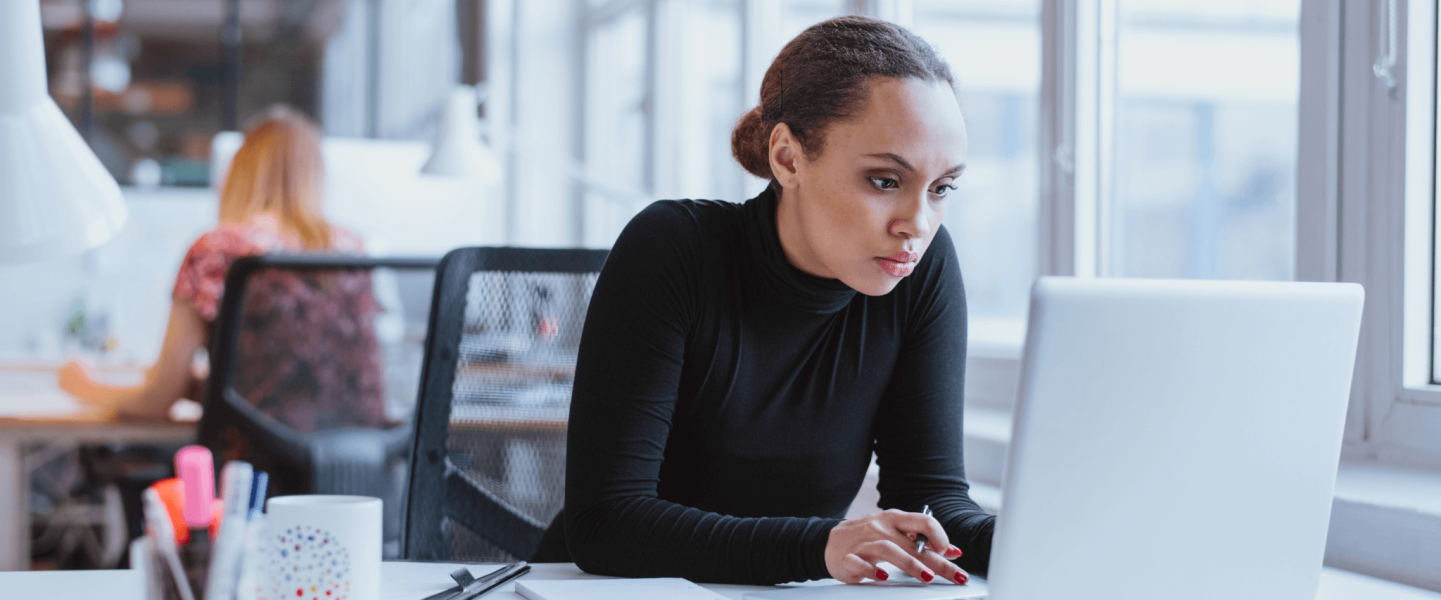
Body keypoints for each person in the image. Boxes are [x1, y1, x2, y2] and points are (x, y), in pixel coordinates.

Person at [555, 16, 991, 587]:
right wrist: (819, 547)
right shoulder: (673, 249)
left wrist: (1054, 533)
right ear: (788, 158)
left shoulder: (922, 271)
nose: (918, 224)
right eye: (886, 181)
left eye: (942, 189)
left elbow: (932, 502)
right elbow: (605, 523)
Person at [58, 106, 387, 432]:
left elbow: (156, 401)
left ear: (241, 172)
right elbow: (301, 390)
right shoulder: (352, 251)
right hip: (358, 471)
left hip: (253, 474)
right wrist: (204, 388)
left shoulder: (218, 250)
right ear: (316, 177)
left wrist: (81, 384)